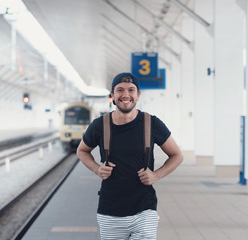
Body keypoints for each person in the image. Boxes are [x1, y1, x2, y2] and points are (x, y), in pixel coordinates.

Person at [76, 72, 183, 240]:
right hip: (110, 211)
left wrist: (156, 175)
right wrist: (97, 169)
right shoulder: (99, 125)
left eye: (131, 90)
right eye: (120, 90)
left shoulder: (152, 123)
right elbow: (81, 150)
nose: (125, 95)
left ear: (138, 95)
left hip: (144, 210)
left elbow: (177, 155)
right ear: (112, 95)